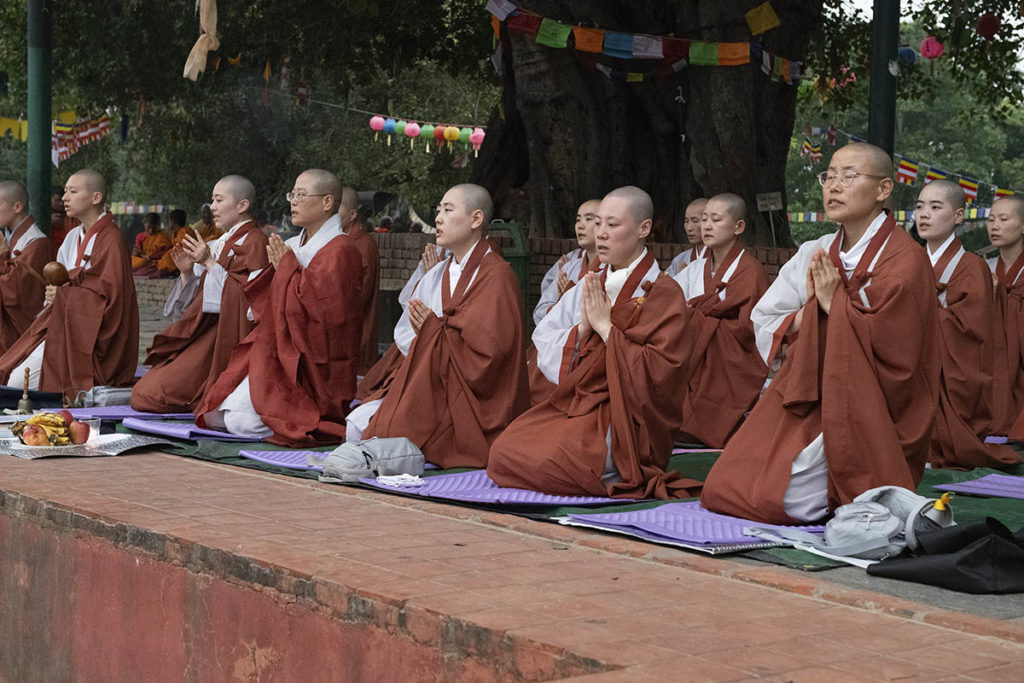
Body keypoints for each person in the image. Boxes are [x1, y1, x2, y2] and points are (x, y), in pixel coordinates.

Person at [701, 143, 940, 524]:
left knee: (781, 502)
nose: (834, 186)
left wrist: (832, 306)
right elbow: (765, 318)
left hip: (869, 410)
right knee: (721, 487)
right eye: (829, 176)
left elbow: (902, 353)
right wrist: (813, 312)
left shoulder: (905, 259)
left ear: (883, 190)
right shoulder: (817, 250)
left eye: (849, 176)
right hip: (807, 393)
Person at [487, 186, 703, 499]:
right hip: (581, 405)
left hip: (626, 420)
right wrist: (583, 330)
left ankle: (610, 464)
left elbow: (662, 375)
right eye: (597, 223)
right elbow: (546, 336)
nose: (600, 233)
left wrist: (606, 329)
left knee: (554, 463)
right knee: (504, 451)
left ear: (644, 229)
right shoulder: (593, 283)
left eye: (612, 225)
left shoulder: (663, 292)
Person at [347, 184, 529, 468]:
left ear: (476, 219)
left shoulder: (497, 276)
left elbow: (490, 355)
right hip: (431, 384)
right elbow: (407, 334)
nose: (438, 219)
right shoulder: (438, 274)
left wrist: (434, 333)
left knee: (380, 439)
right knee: (357, 427)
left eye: (448, 210)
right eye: (438, 210)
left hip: (471, 402)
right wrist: (431, 336)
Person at [195, 169, 363, 445]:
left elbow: (327, 313)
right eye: (292, 194)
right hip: (280, 349)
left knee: (243, 422)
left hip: (312, 364)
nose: (293, 201)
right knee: (216, 414)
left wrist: (287, 268)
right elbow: (267, 297)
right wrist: (282, 270)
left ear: (327, 202)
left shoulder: (342, 250)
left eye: (300, 195)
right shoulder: (293, 245)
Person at [131, 176, 269, 413]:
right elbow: (198, 302)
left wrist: (209, 262)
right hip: (205, 333)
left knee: (151, 396)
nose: (212, 207)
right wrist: (187, 273)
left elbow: (252, 302)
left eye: (218, 200)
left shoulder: (256, 242)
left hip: (226, 338)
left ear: (242, 205)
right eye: (212, 200)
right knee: (143, 391)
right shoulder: (221, 242)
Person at [0, 169, 138, 396]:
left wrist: (64, 297)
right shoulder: (73, 236)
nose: (64, 198)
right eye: (65, 192)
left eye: (73, 191)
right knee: (10, 374)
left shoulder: (112, 240)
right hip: (64, 324)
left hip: (93, 336)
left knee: (17, 385)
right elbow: (59, 282)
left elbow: (113, 300)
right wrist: (55, 295)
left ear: (96, 198)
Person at [913, 181, 1018, 469]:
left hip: (949, 376)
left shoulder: (973, 267)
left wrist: (919, 310)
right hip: (910, 367)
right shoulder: (908, 261)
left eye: (936, 207)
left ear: (958, 215)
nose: (924, 215)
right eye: (920, 207)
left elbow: (970, 332)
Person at [673, 193, 769, 448]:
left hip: (734, 357)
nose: (706, 226)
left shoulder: (751, 270)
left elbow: (749, 327)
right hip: (695, 351)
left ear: (738, 227)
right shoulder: (693, 270)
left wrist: (696, 318)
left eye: (715, 219)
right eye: (704, 219)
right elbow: (671, 309)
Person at [0, 181, 51, 352]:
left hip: (23, 332)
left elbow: (16, 292)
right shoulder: (8, 237)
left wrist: (2, 258)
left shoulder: (36, 243)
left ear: (17, 207)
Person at [532, 200, 602, 325]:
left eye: (588, 219)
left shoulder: (615, 268)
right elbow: (540, 311)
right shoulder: (569, 265)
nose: (580, 226)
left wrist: (568, 299)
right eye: (578, 220)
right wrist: (563, 303)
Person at [989, 196, 1024, 439]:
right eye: (991, 220)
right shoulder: (985, 268)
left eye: (1003, 219)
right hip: (994, 357)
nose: (995, 226)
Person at [338, 187, 381, 376]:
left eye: (336, 211)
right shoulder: (344, 241)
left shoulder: (361, 244)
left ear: (353, 214)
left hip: (355, 339)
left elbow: (355, 297)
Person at [665, 198, 709, 277]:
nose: (689, 228)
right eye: (686, 221)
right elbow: (665, 286)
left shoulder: (719, 258)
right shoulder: (680, 260)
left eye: (695, 221)